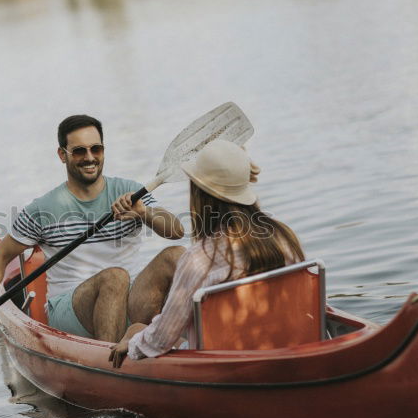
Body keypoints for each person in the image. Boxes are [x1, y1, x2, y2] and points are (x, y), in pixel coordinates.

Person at [0, 115, 185, 342]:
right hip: (71, 309)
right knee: (115, 278)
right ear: (62, 155)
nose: (89, 158)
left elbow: (176, 231)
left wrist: (144, 213)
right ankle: (108, 363)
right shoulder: (41, 209)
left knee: (175, 255)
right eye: (79, 151)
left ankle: (190, 339)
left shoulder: (131, 190)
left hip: (132, 298)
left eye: (95, 149)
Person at [109, 139, 305, 368]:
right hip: (279, 348)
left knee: (136, 331)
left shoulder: (200, 259)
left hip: (219, 364)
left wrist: (134, 342)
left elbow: (161, 339)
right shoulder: (284, 237)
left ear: (200, 195)